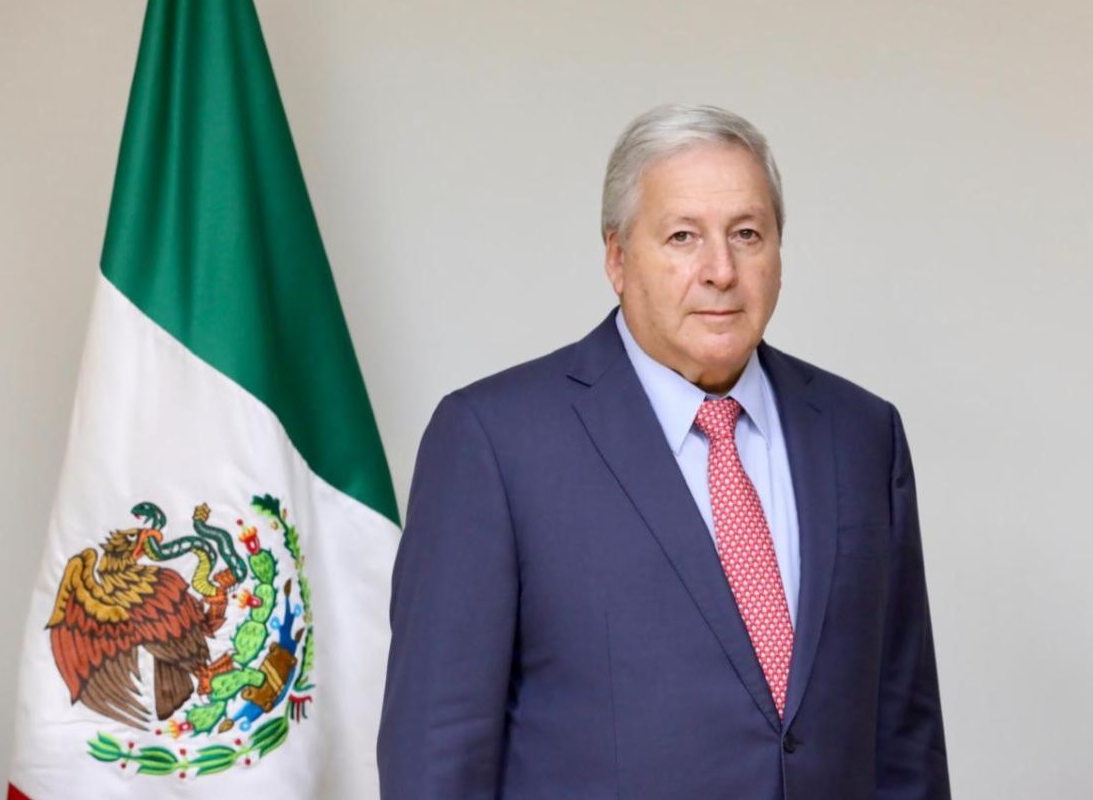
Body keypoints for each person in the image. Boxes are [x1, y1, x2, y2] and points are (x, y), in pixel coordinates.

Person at [377, 104, 949, 799]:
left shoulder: (861, 434)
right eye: (683, 236)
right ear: (617, 258)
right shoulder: (494, 442)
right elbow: (437, 754)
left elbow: (905, 731)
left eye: (747, 234)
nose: (721, 270)